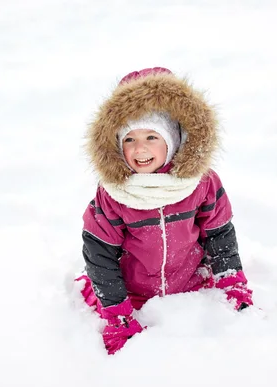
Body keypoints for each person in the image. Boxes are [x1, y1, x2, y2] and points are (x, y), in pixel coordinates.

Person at [76, 67, 253, 355]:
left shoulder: (199, 184)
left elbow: (219, 235)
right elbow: (100, 255)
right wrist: (118, 314)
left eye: (151, 137)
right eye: (129, 139)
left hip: (191, 285)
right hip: (132, 294)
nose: (139, 149)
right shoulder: (115, 193)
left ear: (172, 141)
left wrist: (231, 282)